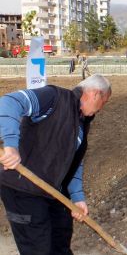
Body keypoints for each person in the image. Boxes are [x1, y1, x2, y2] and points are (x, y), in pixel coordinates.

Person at [0, 74, 112, 255]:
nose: (102, 108)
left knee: (61, 241)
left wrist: (77, 197)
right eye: (104, 102)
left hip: (53, 192)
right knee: (38, 249)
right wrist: (11, 145)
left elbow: (74, 162)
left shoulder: (82, 122)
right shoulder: (53, 98)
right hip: (22, 189)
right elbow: (9, 102)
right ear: (96, 94)